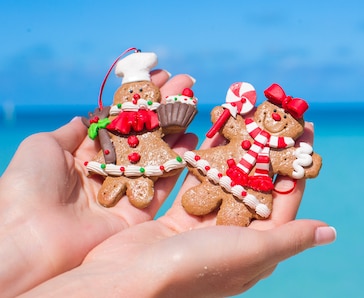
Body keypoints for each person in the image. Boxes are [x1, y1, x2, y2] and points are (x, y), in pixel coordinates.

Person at [0, 70, 336, 297]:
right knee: (197, 198)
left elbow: (284, 159)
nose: (275, 118)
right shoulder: (115, 118)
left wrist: (299, 160)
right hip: (205, 168)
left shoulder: (279, 147)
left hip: (251, 187)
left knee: (230, 213)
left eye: (284, 118)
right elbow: (227, 120)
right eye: (273, 112)